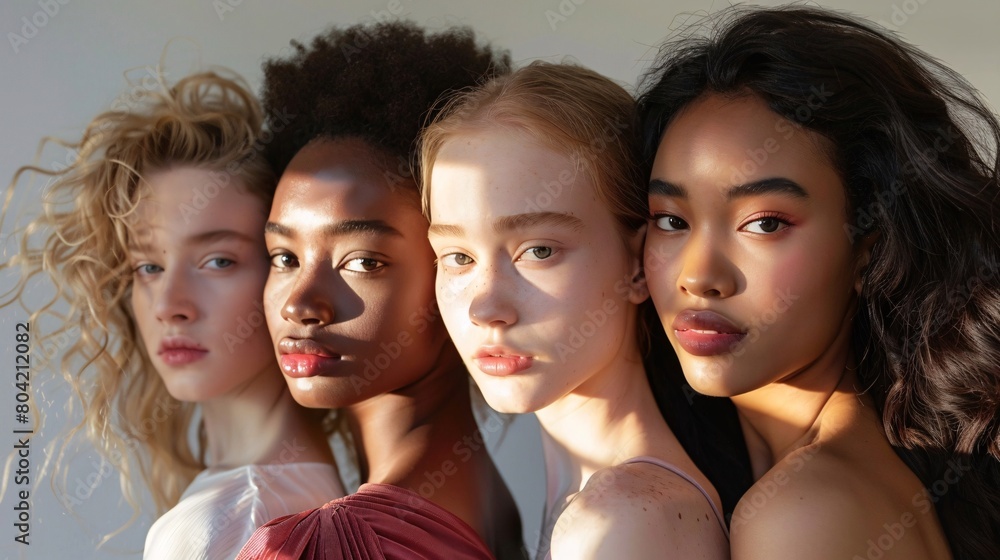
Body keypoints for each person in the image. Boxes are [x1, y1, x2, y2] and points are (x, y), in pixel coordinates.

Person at [636, 6, 1000, 559]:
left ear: (868, 250)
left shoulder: (802, 514)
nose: (699, 276)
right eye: (671, 220)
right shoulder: (840, 480)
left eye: (764, 223)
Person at [1, 69, 344, 559]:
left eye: (218, 261)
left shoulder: (237, 520)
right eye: (149, 266)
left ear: (286, 271)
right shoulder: (274, 498)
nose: (169, 305)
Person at [421, 61, 733, 559]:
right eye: (458, 257)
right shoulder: (583, 498)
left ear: (638, 264)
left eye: (538, 251)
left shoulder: (624, 518)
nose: (486, 307)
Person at [235, 22, 524, 560]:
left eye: (362, 262)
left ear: (451, 269)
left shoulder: (321, 546)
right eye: (284, 258)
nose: (300, 304)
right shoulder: (489, 500)